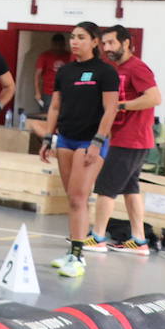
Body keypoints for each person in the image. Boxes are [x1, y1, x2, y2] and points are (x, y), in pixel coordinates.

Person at [38, 22, 119, 279]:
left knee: (78, 197)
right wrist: (47, 139)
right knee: (71, 199)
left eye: (81, 37)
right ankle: (72, 251)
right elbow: (54, 107)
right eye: (73, 37)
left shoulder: (106, 72)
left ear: (95, 42)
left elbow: (111, 109)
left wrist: (97, 141)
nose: (74, 41)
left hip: (89, 141)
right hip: (65, 139)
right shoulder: (66, 72)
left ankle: (78, 256)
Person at [87, 26, 160, 255]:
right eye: (104, 44)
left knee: (106, 188)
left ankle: (97, 237)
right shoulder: (120, 69)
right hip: (130, 139)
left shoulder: (137, 68)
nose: (107, 48)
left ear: (126, 43)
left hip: (131, 139)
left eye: (111, 43)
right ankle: (139, 241)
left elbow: (154, 97)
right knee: (131, 189)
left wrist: (120, 106)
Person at [33, 32, 70, 113]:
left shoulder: (69, 56)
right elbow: (37, 75)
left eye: (61, 46)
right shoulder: (45, 56)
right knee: (47, 114)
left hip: (65, 93)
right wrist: (37, 92)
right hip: (48, 93)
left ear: (64, 45)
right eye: (56, 45)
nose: (58, 48)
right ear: (52, 44)